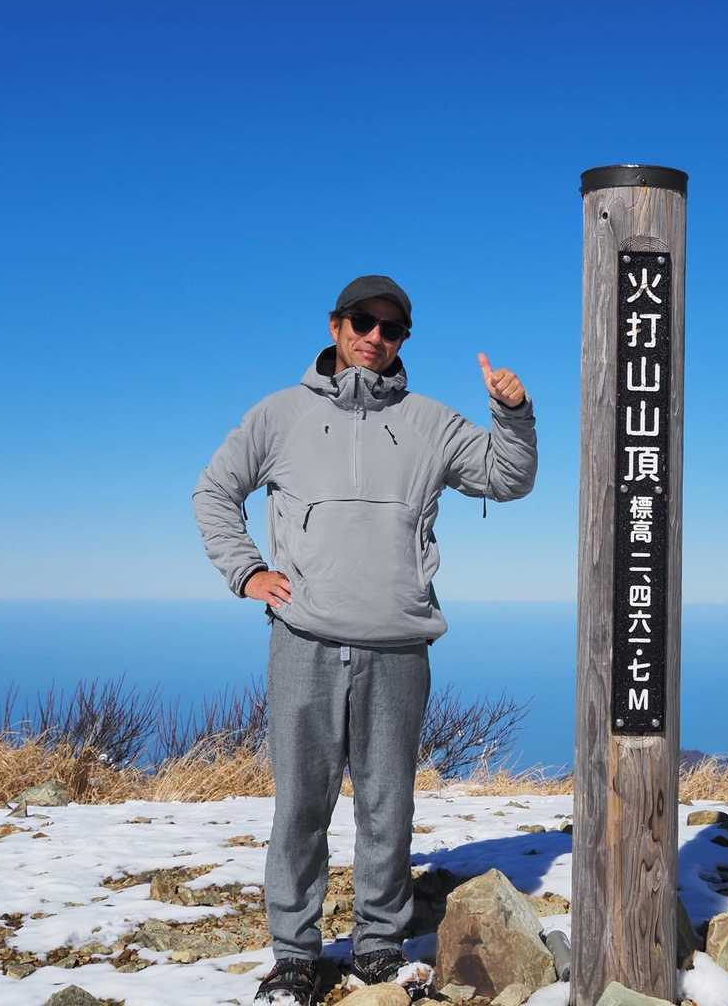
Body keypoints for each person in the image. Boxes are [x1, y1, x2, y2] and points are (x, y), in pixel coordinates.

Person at [191, 275, 538, 1004]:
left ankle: (379, 946)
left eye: (391, 327)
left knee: (388, 806)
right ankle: (295, 955)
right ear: (335, 325)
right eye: (362, 322)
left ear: (403, 338)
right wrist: (246, 571)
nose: (375, 336)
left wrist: (512, 413)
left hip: (397, 644)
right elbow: (214, 492)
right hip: (305, 639)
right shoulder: (279, 415)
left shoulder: (430, 421)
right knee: (301, 806)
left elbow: (508, 479)